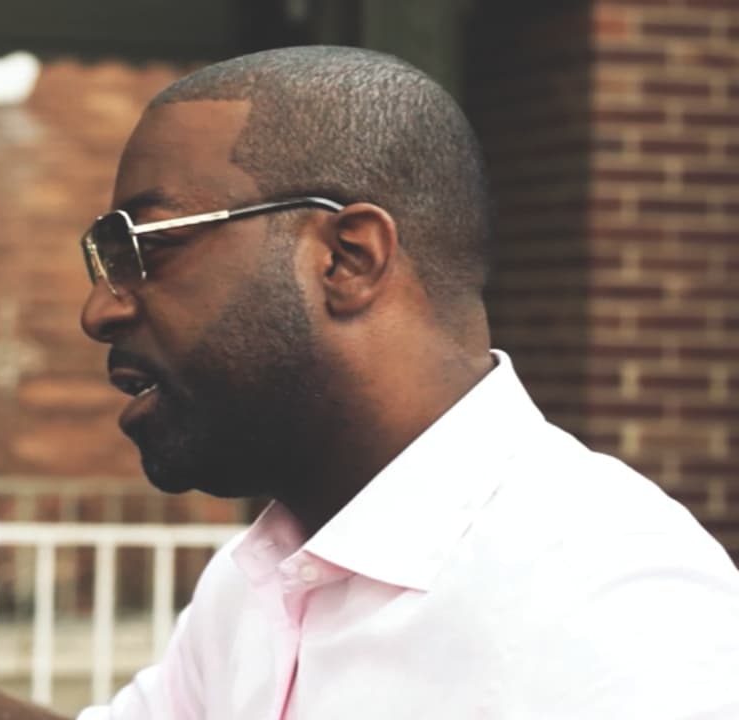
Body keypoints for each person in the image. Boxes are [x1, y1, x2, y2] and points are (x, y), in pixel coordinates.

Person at [71, 45, 739, 718]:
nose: (99, 310)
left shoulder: (619, 611)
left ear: (348, 259)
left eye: (146, 246)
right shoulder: (258, 583)